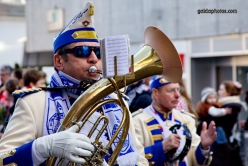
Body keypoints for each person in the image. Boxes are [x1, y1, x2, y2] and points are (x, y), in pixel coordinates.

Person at [0, 2, 147, 166]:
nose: (93, 58)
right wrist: (41, 148)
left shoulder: (118, 103)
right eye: (82, 51)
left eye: (97, 52)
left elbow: (140, 159)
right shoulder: (33, 103)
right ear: (59, 61)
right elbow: (3, 159)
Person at [132, 75, 217, 166]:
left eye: (178, 90)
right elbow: (133, 158)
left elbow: (194, 160)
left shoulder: (187, 119)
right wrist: (162, 147)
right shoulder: (137, 120)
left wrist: (203, 147)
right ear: (156, 93)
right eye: (171, 90)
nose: (178, 95)